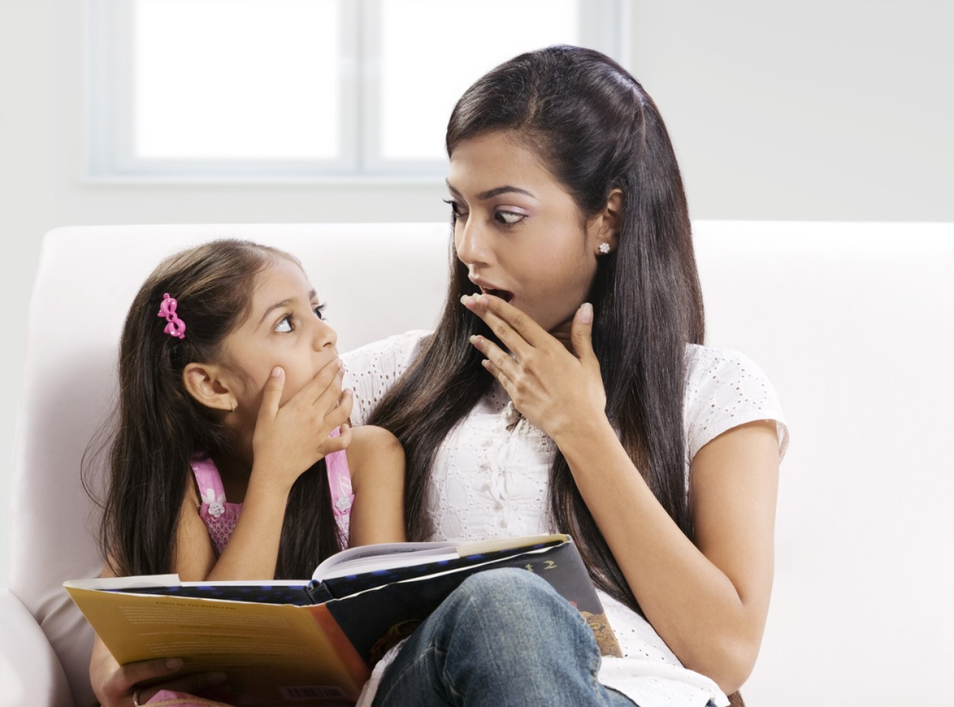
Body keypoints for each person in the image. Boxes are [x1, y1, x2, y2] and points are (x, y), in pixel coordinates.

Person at [342, 45, 788, 707]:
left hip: (635, 695)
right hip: (436, 686)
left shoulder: (715, 390)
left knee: (513, 603)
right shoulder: (399, 374)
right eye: (459, 210)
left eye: (505, 215)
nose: (469, 247)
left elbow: (726, 654)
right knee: (504, 602)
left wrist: (582, 429)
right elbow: (205, 422)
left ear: (608, 216)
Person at [85, 239, 406, 706]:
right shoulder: (188, 487)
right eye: (286, 323)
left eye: (318, 309)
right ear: (213, 385)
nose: (328, 334)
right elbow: (212, 654)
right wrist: (272, 479)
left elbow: (384, 646)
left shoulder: (368, 456)